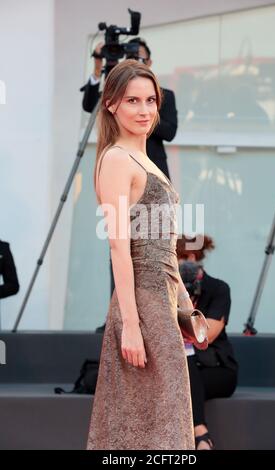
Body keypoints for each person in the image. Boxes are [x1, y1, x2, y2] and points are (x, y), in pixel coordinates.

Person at [86, 60, 195, 450]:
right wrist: (130, 324)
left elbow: (162, 244)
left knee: (162, 416)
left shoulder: (146, 159)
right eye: (133, 100)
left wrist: (181, 300)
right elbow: (119, 246)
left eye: (151, 100)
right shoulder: (116, 159)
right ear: (112, 104)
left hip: (160, 302)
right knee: (152, 419)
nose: (145, 110)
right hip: (141, 304)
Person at [81, 37, 178, 178]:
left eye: (150, 100)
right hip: (121, 163)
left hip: (154, 165)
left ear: (149, 62)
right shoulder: (117, 93)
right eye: (132, 101)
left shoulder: (165, 95)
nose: (137, 63)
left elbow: (170, 133)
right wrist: (97, 69)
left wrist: (145, 117)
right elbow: (90, 105)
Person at [176, 234, 238, 450]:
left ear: (191, 257)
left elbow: (207, 335)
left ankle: (199, 434)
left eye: (176, 260)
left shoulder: (218, 289)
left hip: (218, 369)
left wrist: (184, 308)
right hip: (184, 369)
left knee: (184, 371)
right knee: (181, 373)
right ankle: (200, 434)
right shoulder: (169, 290)